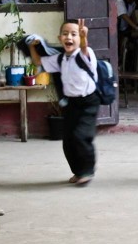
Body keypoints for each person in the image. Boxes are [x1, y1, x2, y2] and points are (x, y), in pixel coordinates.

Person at [27, 19, 100, 186]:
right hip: (72, 104)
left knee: (81, 136)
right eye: (66, 34)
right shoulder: (60, 59)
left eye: (74, 34)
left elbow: (83, 47)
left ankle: (88, 171)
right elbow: (38, 62)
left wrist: (84, 38)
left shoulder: (85, 53)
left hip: (89, 102)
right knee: (68, 141)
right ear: (60, 38)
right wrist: (32, 46)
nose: (69, 37)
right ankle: (78, 171)